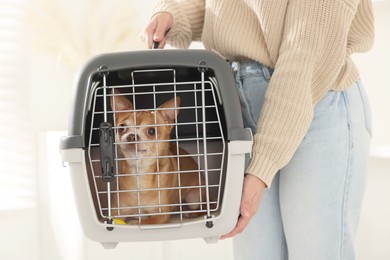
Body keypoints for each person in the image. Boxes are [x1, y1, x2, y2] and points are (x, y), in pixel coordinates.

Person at [140, 1, 375, 259]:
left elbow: (304, 54)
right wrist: (171, 15)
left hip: (314, 99)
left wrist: (261, 167)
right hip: (239, 107)